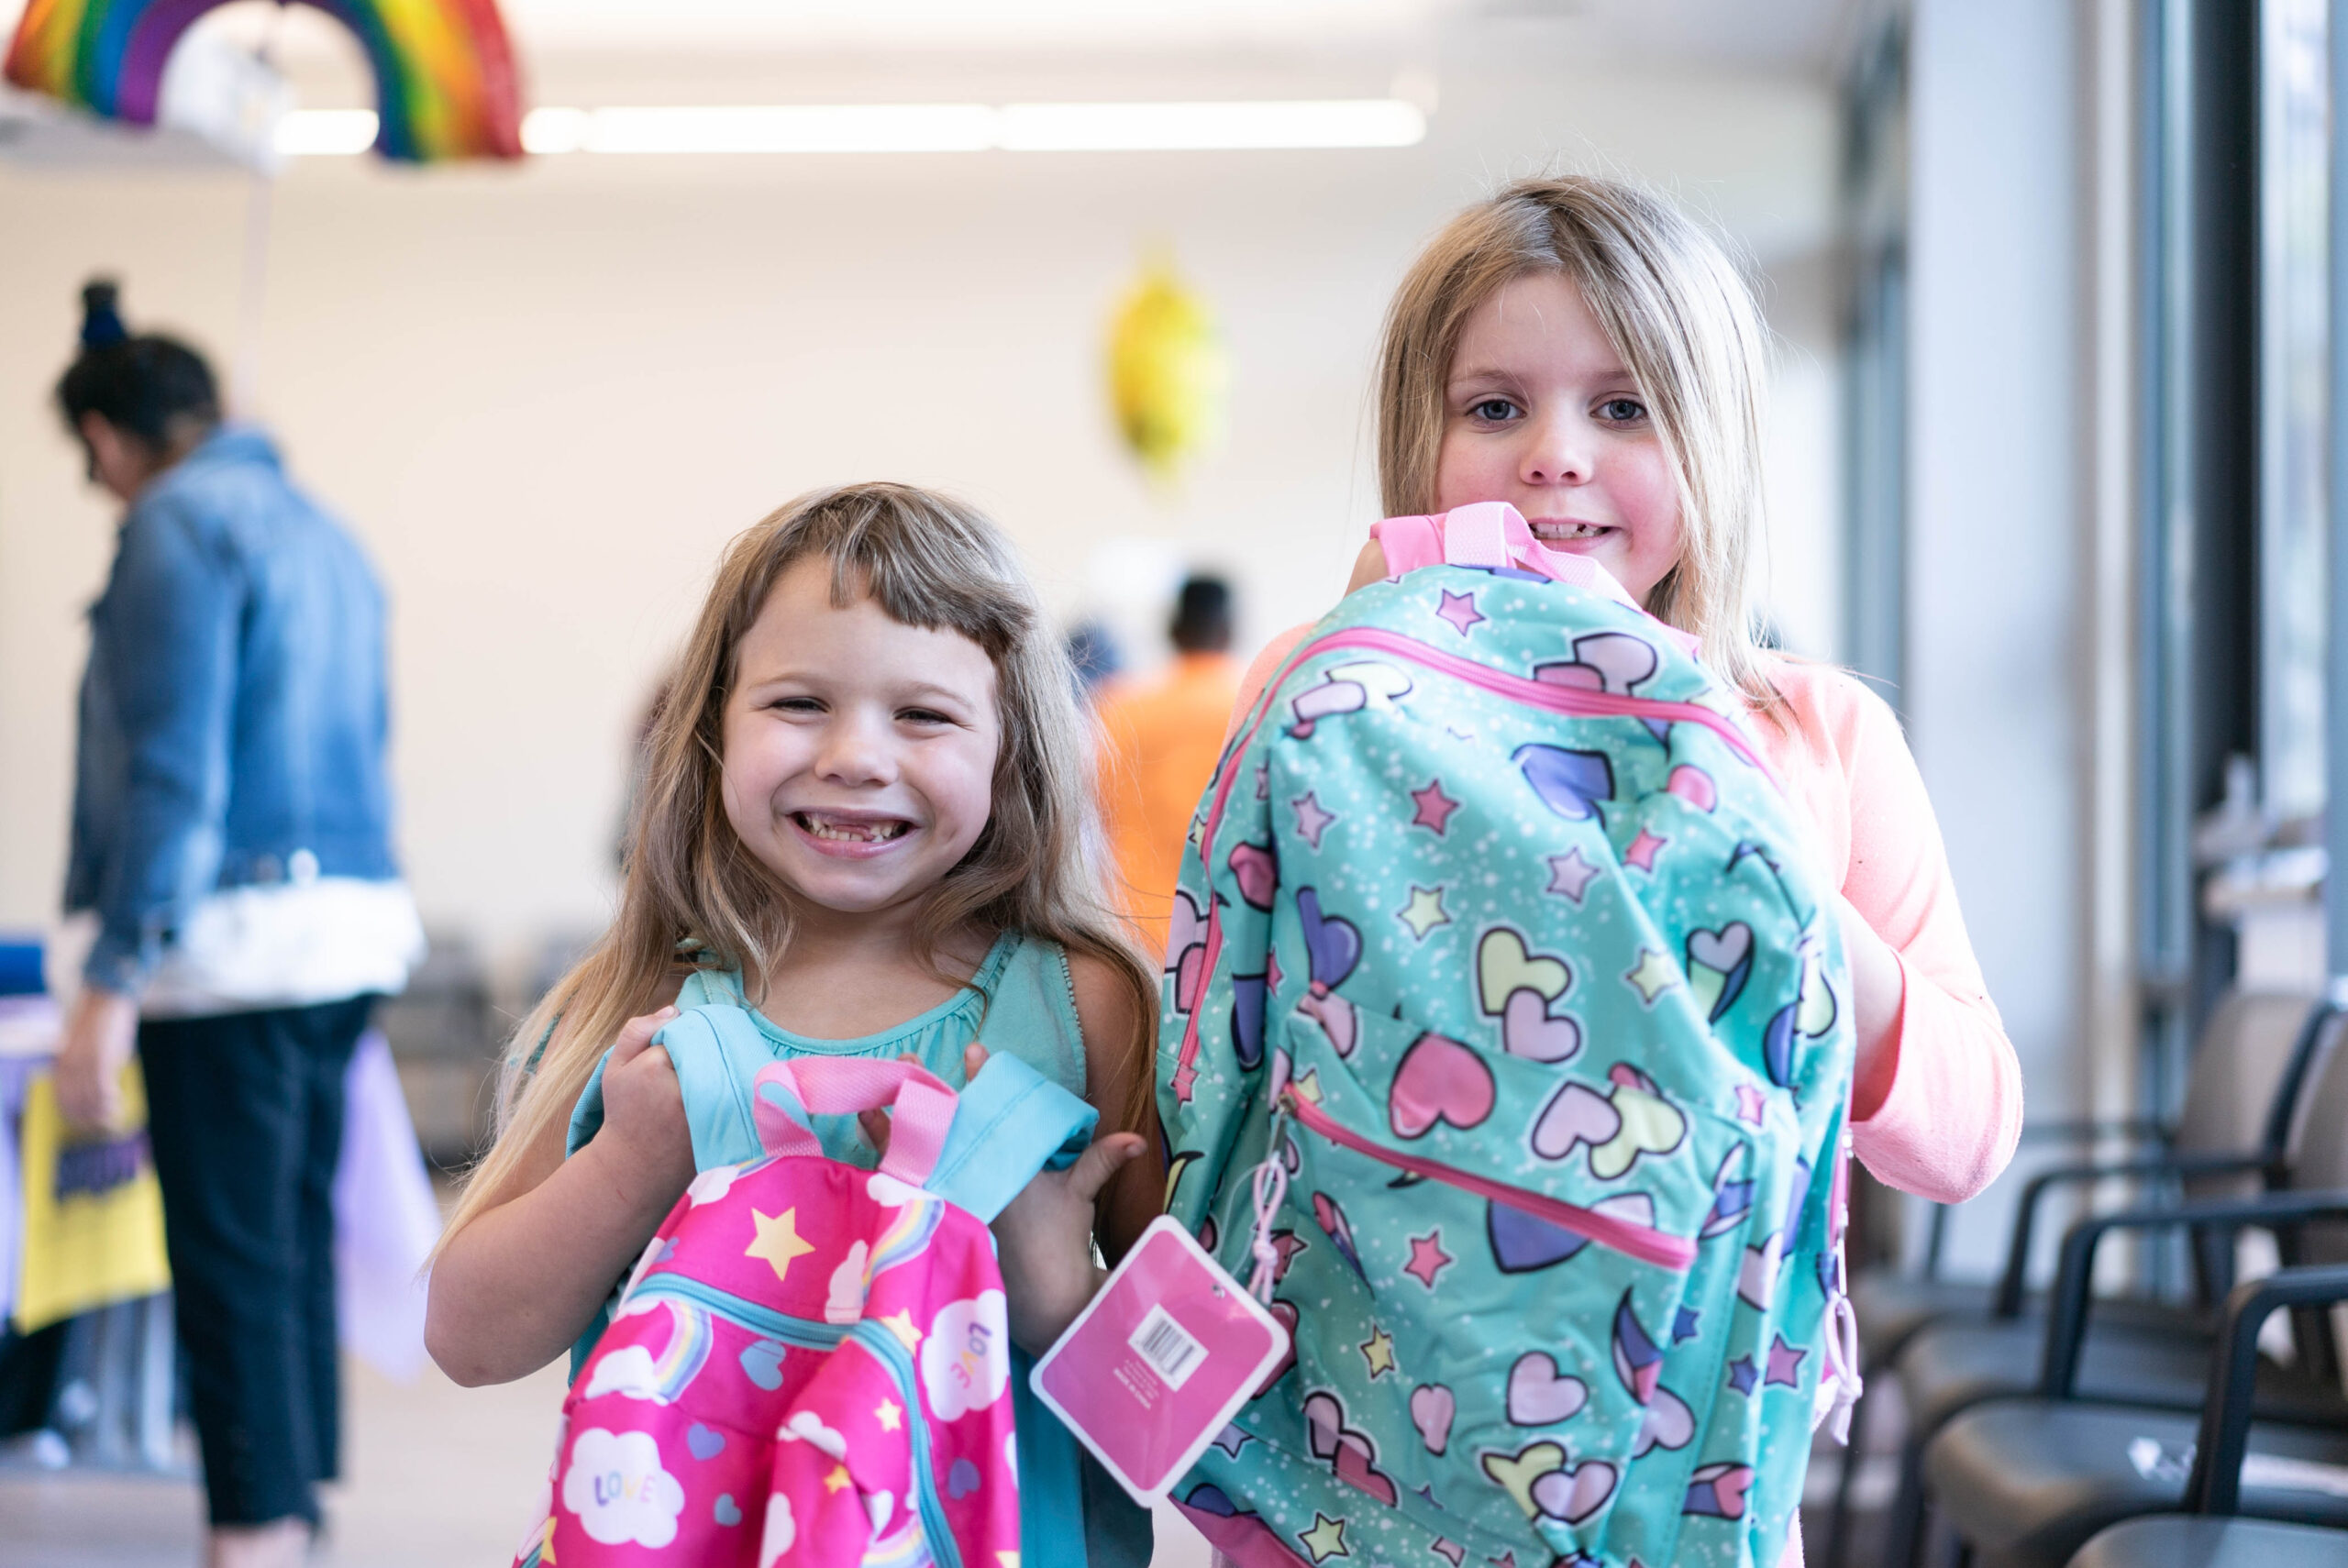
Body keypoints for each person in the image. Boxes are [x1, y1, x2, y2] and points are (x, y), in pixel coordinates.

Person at [1225, 177, 2023, 1565]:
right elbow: (1231, 1030)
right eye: (1493, 408)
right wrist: (1369, 668)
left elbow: (1963, 1137)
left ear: (1709, 445)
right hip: (1360, 1452)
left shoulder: (1812, 738)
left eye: (1623, 406)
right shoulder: (1325, 697)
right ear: (1417, 449)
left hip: (1685, 1455)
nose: (1553, 456)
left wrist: (1754, 863)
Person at [426, 483, 1162, 1568]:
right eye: (799, 704)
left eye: (924, 714)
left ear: (1011, 748)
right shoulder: (637, 1005)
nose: (856, 756)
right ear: (713, 729)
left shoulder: (1086, 1002)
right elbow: (468, 1341)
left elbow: (1190, 1428)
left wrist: (1059, 1289)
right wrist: (627, 1166)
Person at [47, 281, 424, 1568]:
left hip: (231, 950)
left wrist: (107, 981)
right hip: (351, 930)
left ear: (106, 443)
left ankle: (251, 1533)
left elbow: (175, 774)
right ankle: (293, 1506)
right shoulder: (325, 530)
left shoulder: (174, 528)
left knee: (228, 1251)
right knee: (290, 1236)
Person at [1094, 575, 1244, 950]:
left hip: (1131, 924)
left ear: (1172, 631)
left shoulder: (1120, 706)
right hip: (1222, 929)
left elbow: (1096, 814)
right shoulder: (1252, 705)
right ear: (1229, 632)